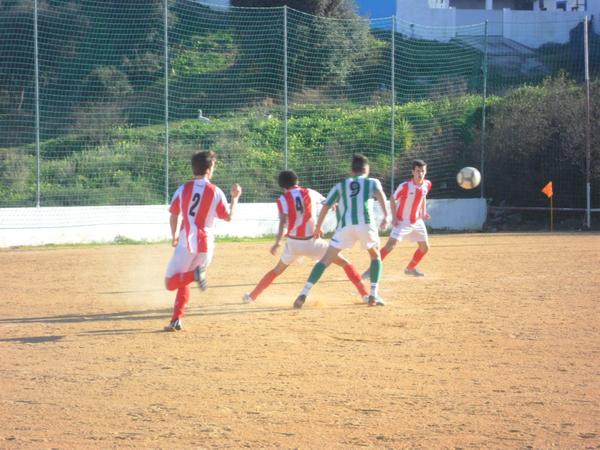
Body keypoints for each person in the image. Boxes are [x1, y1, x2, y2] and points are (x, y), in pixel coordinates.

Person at [242, 170, 369, 303]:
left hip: (293, 244)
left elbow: (283, 222)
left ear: (282, 186)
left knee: (277, 270)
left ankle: (252, 296)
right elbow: (328, 203)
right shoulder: (310, 192)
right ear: (297, 181)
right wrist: (333, 207)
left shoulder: (282, 199)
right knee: (344, 263)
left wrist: (277, 242)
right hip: (313, 242)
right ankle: (365, 295)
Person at [293, 154, 389, 309]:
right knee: (375, 256)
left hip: (345, 226)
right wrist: (386, 215)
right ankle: (373, 294)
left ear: (352, 170)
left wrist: (318, 227)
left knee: (325, 260)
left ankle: (304, 293)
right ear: (366, 169)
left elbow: (326, 206)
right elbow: (381, 195)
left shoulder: (341, 185)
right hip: (366, 224)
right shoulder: (372, 182)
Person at [163, 150, 242, 331]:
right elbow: (228, 217)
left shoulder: (183, 189)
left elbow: (174, 214)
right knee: (183, 280)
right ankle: (176, 320)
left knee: (170, 282)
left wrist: (174, 235)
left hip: (187, 243)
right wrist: (235, 198)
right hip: (207, 245)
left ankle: (195, 275)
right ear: (208, 169)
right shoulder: (216, 191)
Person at [362, 159, 431, 278]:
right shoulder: (405, 186)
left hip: (417, 221)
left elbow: (423, 196)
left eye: (422, 171)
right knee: (390, 246)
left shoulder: (427, 184)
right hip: (402, 221)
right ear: (413, 172)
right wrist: (394, 217)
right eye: (418, 171)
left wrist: (423, 212)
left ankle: (410, 268)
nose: (420, 174)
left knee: (424, 248)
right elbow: (393, 199)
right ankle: (370, 271)